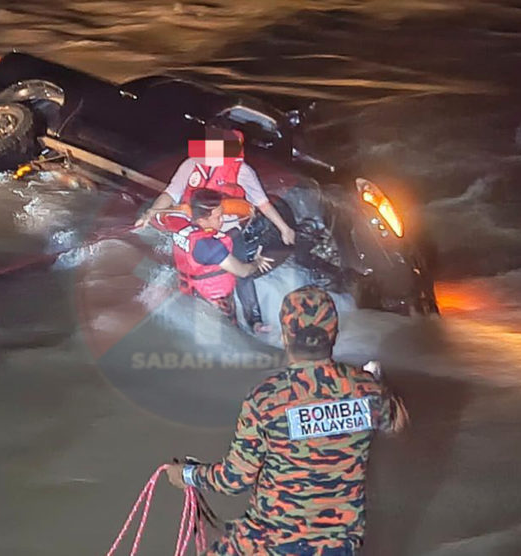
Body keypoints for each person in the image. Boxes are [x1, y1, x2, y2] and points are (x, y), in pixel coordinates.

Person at [166, 286, 409, 555]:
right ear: (334, 335)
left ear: (284, 337)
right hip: (340, 544)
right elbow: (396, 424)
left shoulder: (268, 398)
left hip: (271, 541)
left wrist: (186, 475)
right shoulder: (367, 390)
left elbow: (234, 479)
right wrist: (379, 384)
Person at [137, 128, 295, 329]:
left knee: (241, 273)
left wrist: (284, 228)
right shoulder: (191, 164)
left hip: (228, 229)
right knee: (187, 270)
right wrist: (151, 212)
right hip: (198, 228)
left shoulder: (243, 171)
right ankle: (171, 306)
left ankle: (254, 321)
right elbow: (171, 193)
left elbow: (262, 203)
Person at [154, 188, 273, 326]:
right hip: (215, 303)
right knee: (230, 336)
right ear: (202, 220)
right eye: (217, 217)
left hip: (189, 295)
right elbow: (243, 271)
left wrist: (149, 214)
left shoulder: (177, 222)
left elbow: (160, 215)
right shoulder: (209, 247)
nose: (222, 221)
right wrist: (257, 262)